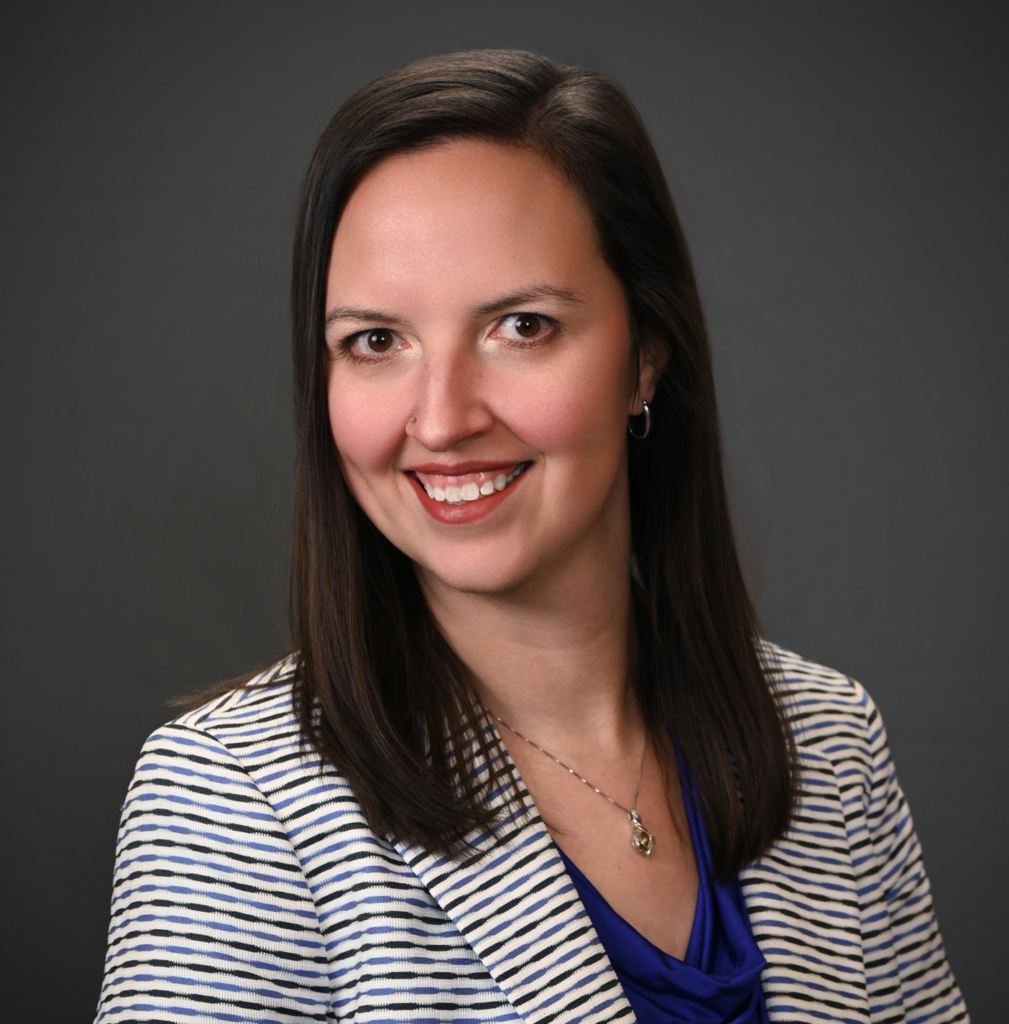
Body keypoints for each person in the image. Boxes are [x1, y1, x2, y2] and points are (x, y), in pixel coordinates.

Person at [94, 50, 967, 1023]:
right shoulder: (231, 797)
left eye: (519, 326)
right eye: (376, 341)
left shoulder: (831, 744)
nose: (441, 418)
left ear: (645, 355)